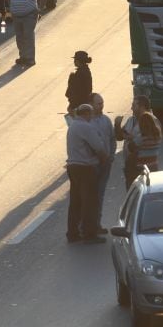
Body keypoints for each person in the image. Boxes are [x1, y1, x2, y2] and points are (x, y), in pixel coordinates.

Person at [65, 103, 108, 244]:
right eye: (91, 114)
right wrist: (104, 160)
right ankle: (90, 233)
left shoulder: (73, 126)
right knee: (90, 201)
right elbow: (99, 147)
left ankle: (73, 232)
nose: (92, 117)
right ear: (87, 114)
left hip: (73, 167)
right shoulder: (86, 127)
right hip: (85, 168)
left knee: (76, 202)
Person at [115, 95, 161, 190]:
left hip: (140, 167)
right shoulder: (131, 120)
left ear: (142, 106)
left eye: (134, 105)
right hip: (132, 165)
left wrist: (131, 138)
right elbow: (120, 136)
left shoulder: (151, 121)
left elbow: (136, 143)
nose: (131, 108)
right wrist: (117, 125)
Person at [6, 0, 46, 67]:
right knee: (19, 37)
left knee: (28, 36)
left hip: (30, 16)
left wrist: (39, 10)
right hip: (16, 17)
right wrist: (11, 9)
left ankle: (30, 59)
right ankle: (23, 57)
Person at [90, 93, 115, 233]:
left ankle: (97, 224)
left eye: (102, 103)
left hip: (105, 164)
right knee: (91, 196)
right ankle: (88, 225)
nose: (101, 106)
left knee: (100, 194)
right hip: (92, 165)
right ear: (91, 104)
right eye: (98, 103)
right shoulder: (87, 122)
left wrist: (111, 156)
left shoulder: (106, 120)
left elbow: (112, 139)